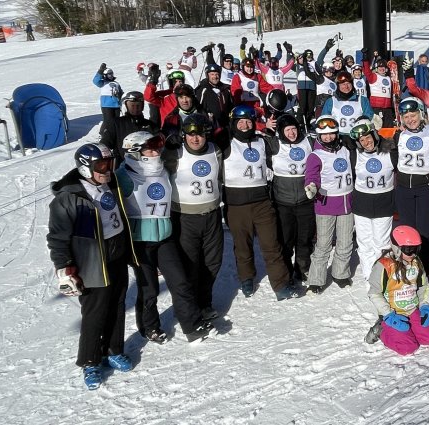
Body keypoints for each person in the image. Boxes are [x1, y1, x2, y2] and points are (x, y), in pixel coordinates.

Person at [47, 143, 136, 390]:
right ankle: (90, 361)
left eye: (109, 164)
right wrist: (64, 267)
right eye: (100, 166)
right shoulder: (69, 197)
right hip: (91, 262)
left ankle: (114, 350)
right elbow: (57, 238)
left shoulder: (110, 183)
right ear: (86, 167)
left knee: (117, 305)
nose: (106, 170)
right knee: (95, 312)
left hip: (117, 255)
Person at [117, 131, 213, 344]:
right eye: (149, 149)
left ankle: (192, 325)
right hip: (140, 241)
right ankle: (150, 327)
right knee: (149, 288)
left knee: (180, 281)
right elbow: (100, 188)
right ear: (135, 151)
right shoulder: (124, 174)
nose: (155, 153)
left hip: (165, 237)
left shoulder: (162, 169)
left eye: (156, 148)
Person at [223, 105, 300, 300]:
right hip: (236, 203)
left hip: (262, 202)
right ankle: (246, 277)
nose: (245, 125)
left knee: (271, 243)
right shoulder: (226, 142)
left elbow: (285, 145)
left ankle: (281, 284)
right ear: (234, 123)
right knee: (243, 245)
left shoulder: (261, 142)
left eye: (248, 121)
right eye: (240, 122)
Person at [164, 114, 222, 333]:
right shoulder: (175, 154)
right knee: (190, 264)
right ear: (184, 135)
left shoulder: (215, 151)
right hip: (185, 216)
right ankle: (191, 308)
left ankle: (204, 302)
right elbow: (149, 164)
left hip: (212, 213)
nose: (195, 139)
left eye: (199, 134)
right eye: (190, 134)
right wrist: (165, 144)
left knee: (213, 262)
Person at [390, 99, 429, 272]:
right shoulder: (399, 135)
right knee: (407, 227)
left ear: (420, 114)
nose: (410, 119)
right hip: (404, 188)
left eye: (413, 115)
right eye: (406, 116)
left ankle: (425, 263)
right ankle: (408, 263)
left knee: (424, 228)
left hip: (426, 187)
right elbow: (393, 158)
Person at [303, 115, 357, 292]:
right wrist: (311, 187)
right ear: (318, 136)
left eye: (332, 134)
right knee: (324, 244)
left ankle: (340, 273)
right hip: (326, 204)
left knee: (345, 242)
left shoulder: (346, 150)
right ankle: (316, 279)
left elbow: (364, 142)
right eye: (324, 135)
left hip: (346, 203)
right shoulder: (315, 155)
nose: (328, 138)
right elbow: (311, 176)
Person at [368, 225, 429, 355]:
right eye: (408, 250)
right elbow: (374, 293)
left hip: (411, 309)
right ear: (397, 248)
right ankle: (382, 329)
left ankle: (409, 329)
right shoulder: (384, 265)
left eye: (416, 249)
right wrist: (387, 315)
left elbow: (423, 286)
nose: (413, 254)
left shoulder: (416, 262)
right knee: (408, 348)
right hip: (393, 313)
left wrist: (425, 306)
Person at [266, 114, 315, 283]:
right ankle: (285, 271)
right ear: (281, 131)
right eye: (287, 130)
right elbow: (253, 145)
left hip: (305, 200)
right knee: (286, 240)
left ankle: (302, 268)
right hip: (283, 202)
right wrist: (265, 128)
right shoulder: (274, 143)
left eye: (294, 129)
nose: (292, 133)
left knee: (304, 238)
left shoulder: (308, 142)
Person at [349, 117, 397, 284]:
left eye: (368, 137)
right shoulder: (354, 155)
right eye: (362, 140)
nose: (366, 142)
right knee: (364, 244)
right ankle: (370, 277)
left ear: (375, 135)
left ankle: (382, 276)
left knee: (381, 243)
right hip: (362, 204)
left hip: (384, 203)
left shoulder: (390, 151)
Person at [100, 91, 157, 160]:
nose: (136, 108)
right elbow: (105, 144)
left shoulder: (150, 125)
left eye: (138, 105)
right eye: (132, 106)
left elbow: (159, 143)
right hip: (122, 165)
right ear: (126, 106)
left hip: (145, 164)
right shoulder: (116, 123)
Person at [317, 70, 373, 136]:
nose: (346, 87)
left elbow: (369, 116)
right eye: (343, 84)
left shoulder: (362, 100)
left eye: (348, 83)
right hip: (338, 136)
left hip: (358, 136)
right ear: (338, 86)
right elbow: (325, 118)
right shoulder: (331, 101)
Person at [195, 64, 235, 134]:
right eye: (212, 74)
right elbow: (198, 107)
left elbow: (231, 106)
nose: (215, 77)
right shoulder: (203, 89)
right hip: (210, 125)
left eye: (217, 74)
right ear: (207, 75)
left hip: (226, 125)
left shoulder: (225, 89)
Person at [362, 56, 397, 127]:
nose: (382, 69)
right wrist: (365, 60)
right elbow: (367, 72)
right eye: (379, 67)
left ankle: (389, 138)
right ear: (376, 69)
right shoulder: (374, 76)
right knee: (378, 127)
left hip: (387, 108)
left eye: (383, 67)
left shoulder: (389, 78)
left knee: (388, 126)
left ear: (386, 69)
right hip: (376, 107)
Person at [93, 63, 123, 133]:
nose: (111, 76)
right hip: (107, 105)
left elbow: (121, 92)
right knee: (108, 121)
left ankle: (114, 133)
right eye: (109, 74)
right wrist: (100, 71)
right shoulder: (102, 83)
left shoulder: (116, 83)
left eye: (112, 74)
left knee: (117, 121)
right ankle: (102, 134)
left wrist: (121, 97)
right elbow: (95, 81)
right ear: (105, 75)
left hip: (116, 105)